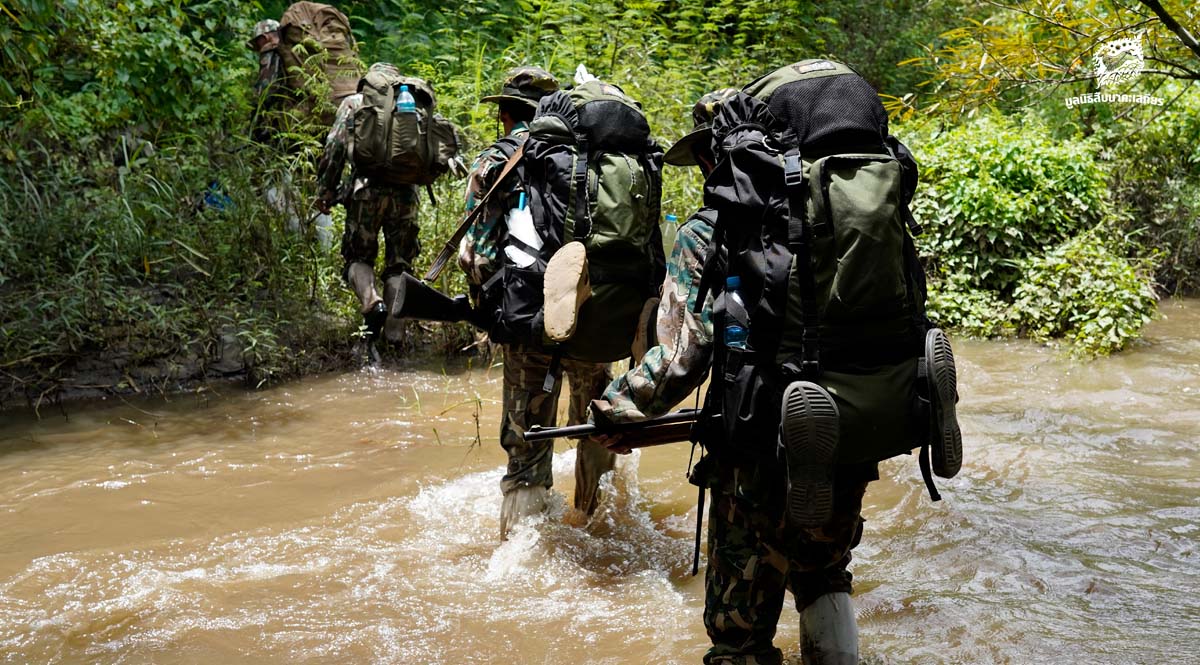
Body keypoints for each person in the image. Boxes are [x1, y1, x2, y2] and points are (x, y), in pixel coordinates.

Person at [592, 66, 960, 665]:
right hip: (852, 418)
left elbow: (682, 358)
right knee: (823, 569)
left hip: (758, 445)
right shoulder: (856, 211)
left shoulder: (715, 230)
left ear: (720, 154)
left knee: (739, 630)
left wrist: (617, 407)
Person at [457, 67, 617, 539]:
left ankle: (525, 553)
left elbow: (477, 255)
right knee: (597, 427)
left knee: (527, 447)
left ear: (507, 114)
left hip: (530, 325)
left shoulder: (498, 161)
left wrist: (495, 309)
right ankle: (597, 522)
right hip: (593, 321)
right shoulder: (594, 158)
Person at [316, 62, 422, 348]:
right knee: (399, 266)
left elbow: (334, 148)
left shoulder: (355, 103)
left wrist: (325, 191)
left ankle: (371, 302)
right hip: (406, 196)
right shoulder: (410, 105)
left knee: (358, 257)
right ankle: (395, 335)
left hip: (366, 191)